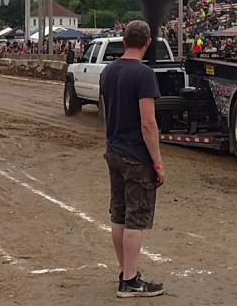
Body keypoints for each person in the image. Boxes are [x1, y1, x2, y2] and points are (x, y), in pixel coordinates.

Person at [100, 20, 165, 298]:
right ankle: (130, 280)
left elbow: (106, 112)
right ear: (147, 43)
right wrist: (157, 162)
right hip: (136, 155)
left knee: (119, 214)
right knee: (136, 219)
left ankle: (125, 271)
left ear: (124, 40)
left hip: (114, 149)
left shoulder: (108, 72)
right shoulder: (144, 74)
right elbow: (148, 123)